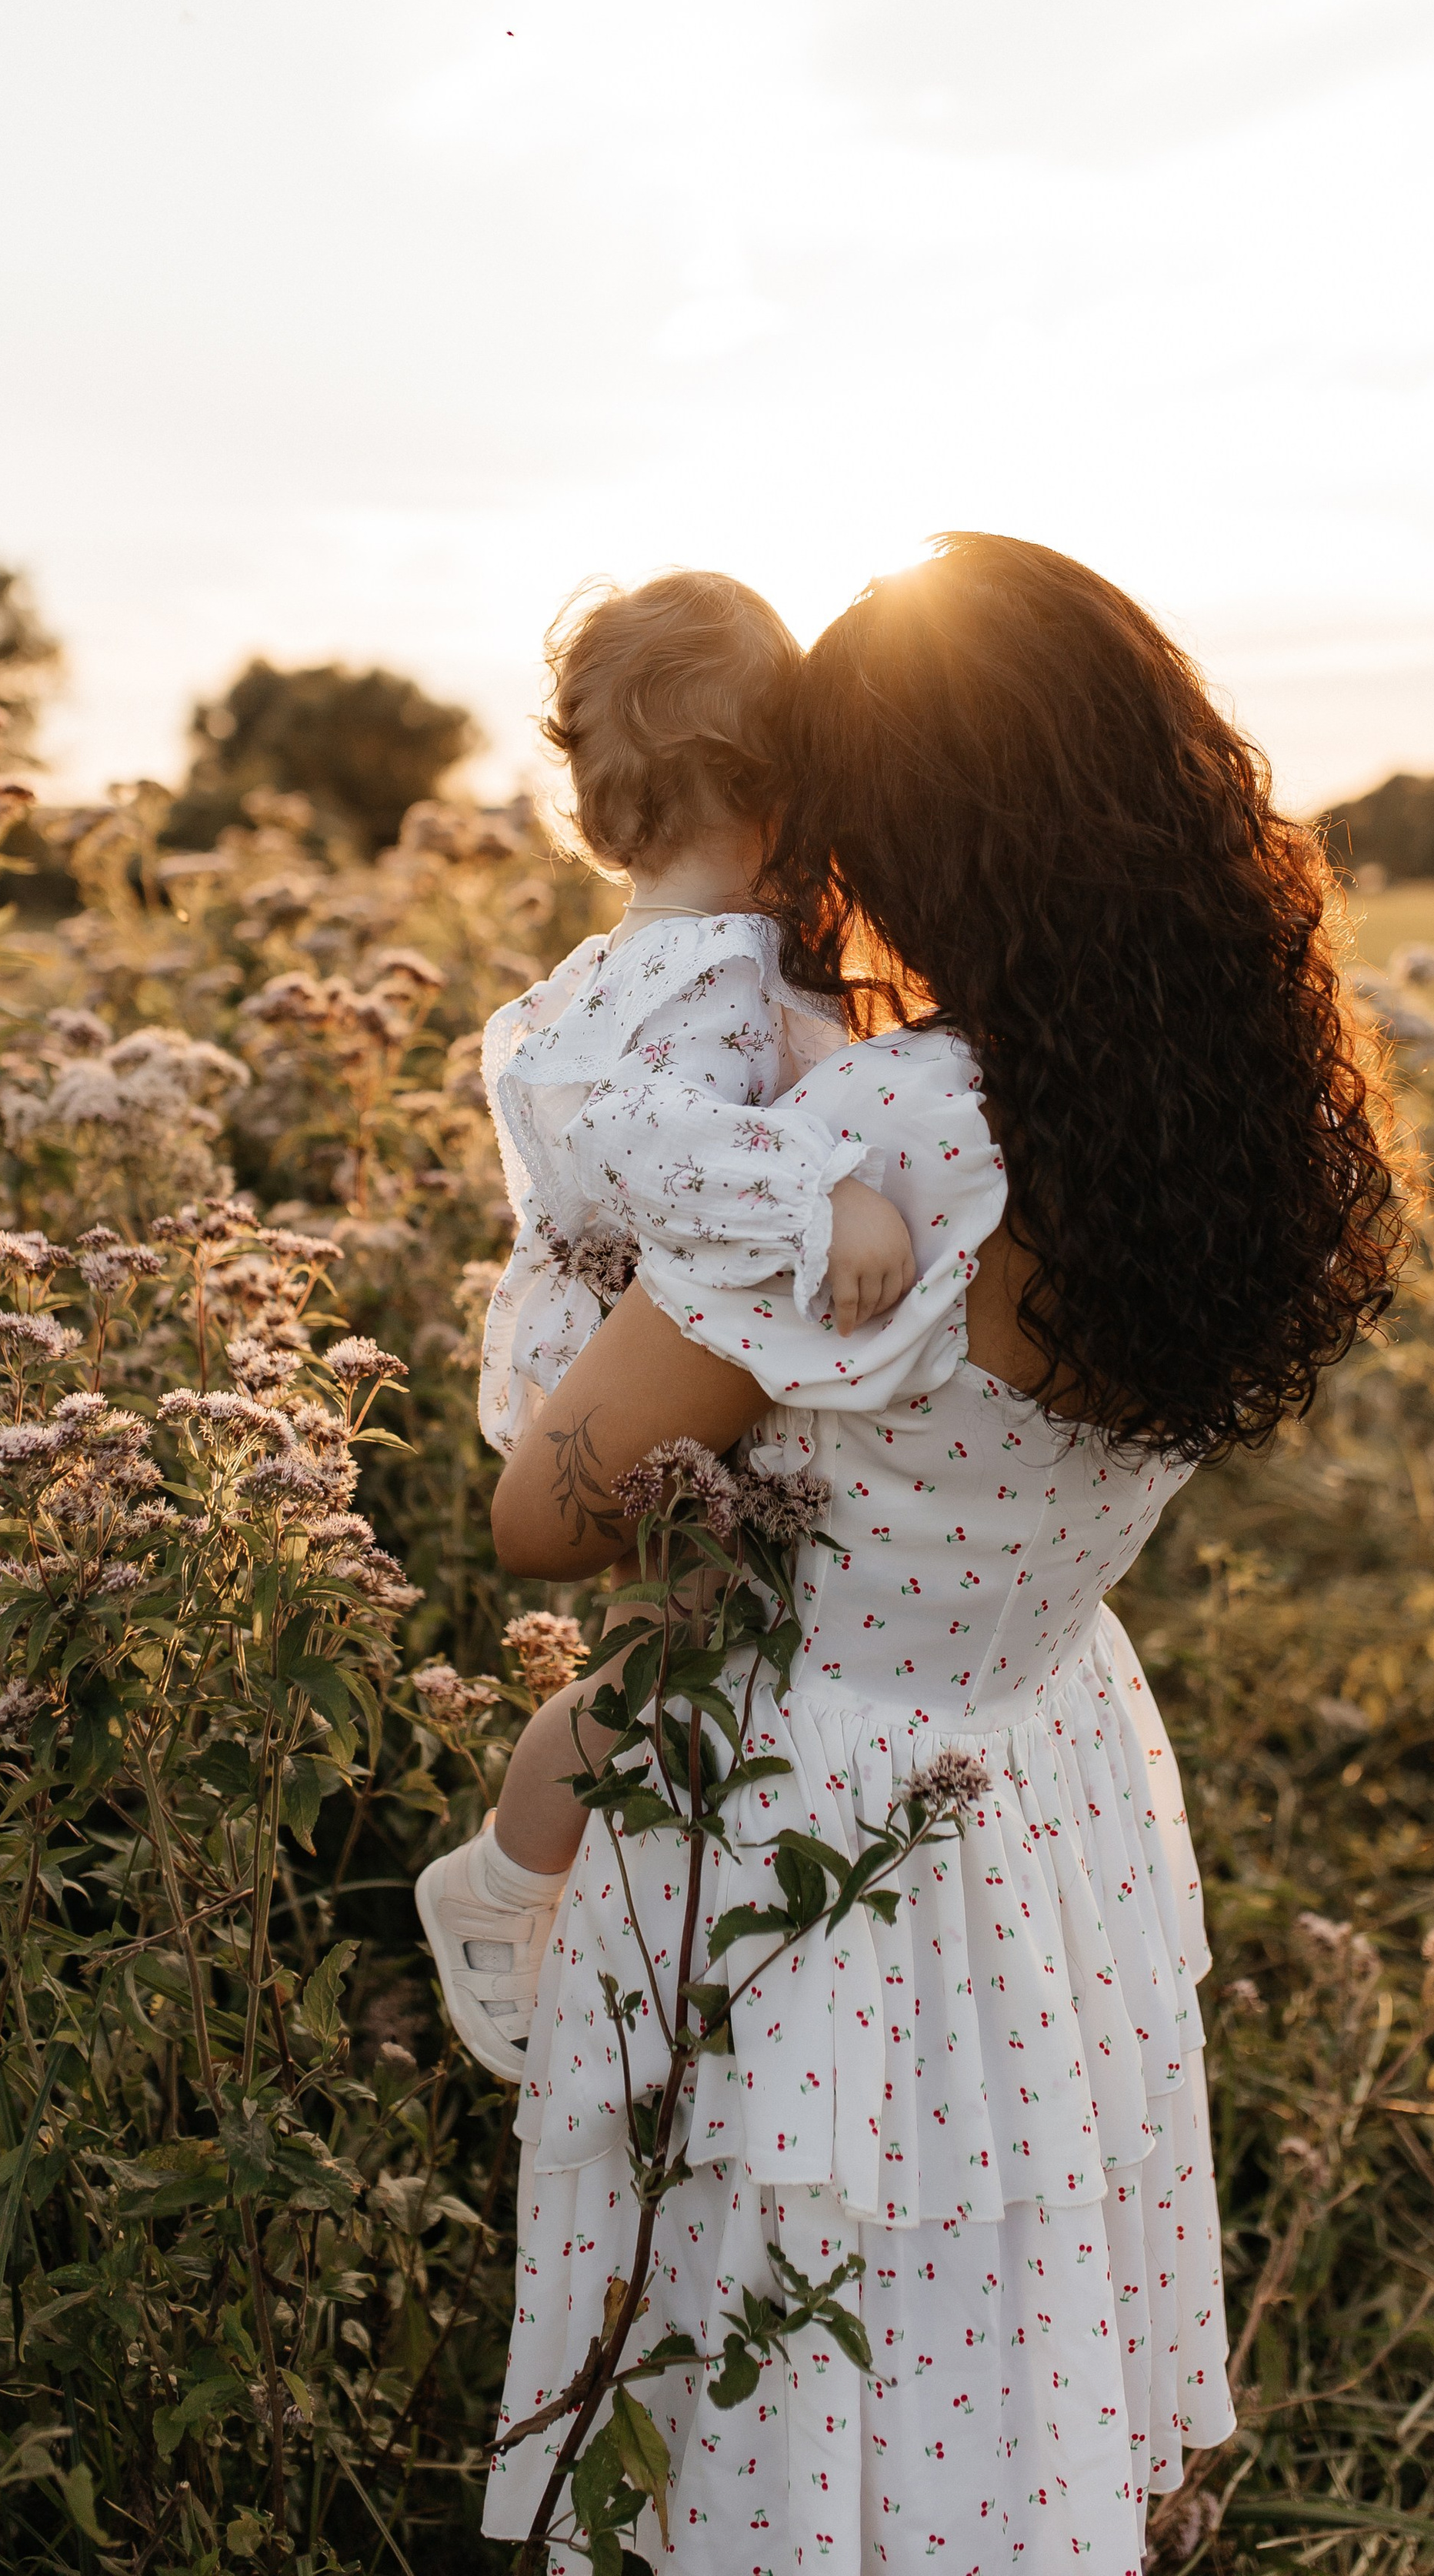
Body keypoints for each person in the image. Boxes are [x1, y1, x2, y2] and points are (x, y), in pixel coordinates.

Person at [475, 535, 1405, 2568]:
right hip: (1040, 1756)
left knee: (791, 2367)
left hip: (811, 1823)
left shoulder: (895, 1144)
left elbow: (547, 1508)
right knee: (996, 2330)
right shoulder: (1241, 1112)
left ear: (900, 827)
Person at [417, 570, 917, 2077]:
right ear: (783, 791)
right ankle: (502, 1884)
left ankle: (587, 1890)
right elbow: (656, 1139)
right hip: (625, 1383)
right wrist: (828, 1195)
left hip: (590, 1362)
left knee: (680, 1654)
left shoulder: (617, 968)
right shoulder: (706, 975)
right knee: (657, 1659)